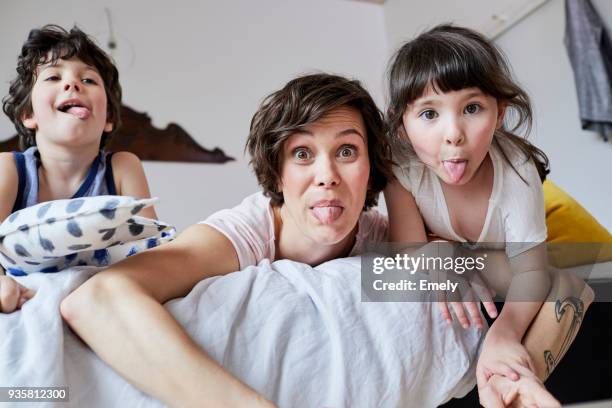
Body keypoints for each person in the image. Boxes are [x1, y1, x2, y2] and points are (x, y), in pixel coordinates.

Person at [61, 73, 560, 407]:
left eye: (346, 150)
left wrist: (506, 351)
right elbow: (97, 298)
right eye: (302, 155)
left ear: (374, 171)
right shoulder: (239, 233)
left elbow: (563, 279)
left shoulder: (388, 240)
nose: (327, 175)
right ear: (276, 174)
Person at [384, 24, 593, 400]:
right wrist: (435, 251)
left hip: (532, 255)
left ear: (499, 115)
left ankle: (507, 373)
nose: (453, 133)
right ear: (402, 127)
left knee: (564, 284)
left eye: (472, 108)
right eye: (429, 114)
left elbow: (530, 271)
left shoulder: (516, 168)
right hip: (482, 260)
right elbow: (407, 252)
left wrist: (503, 335)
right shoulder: (402, 171)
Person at [0, 25, 156, 313]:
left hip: (101, 294)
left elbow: (152, 249)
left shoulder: (123, 167)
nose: (73, 84)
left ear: (108, 117)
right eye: (54, 77)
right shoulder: (10, 168)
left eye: (88, 79)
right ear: (29, 114)